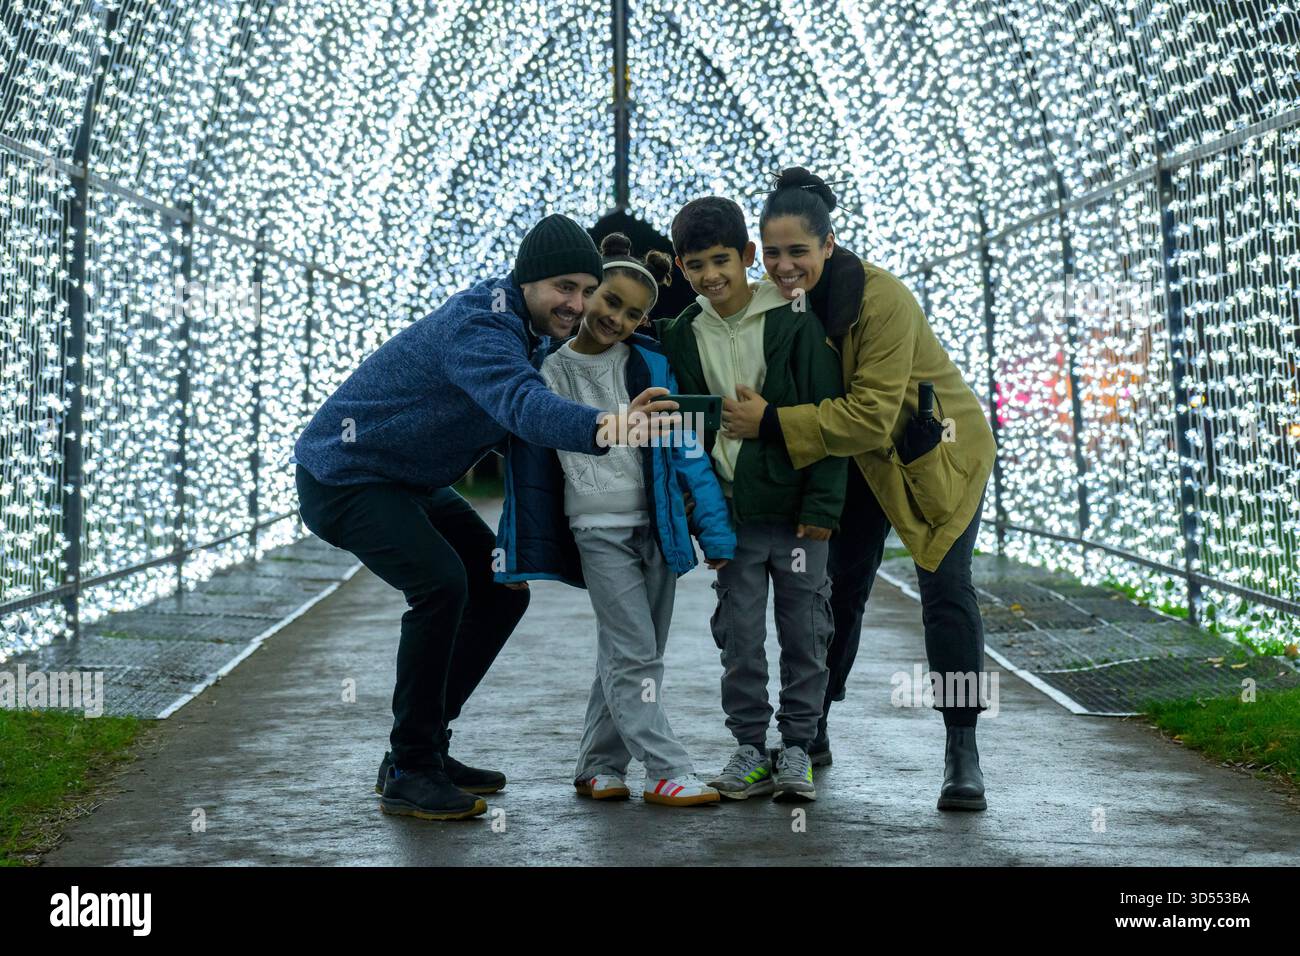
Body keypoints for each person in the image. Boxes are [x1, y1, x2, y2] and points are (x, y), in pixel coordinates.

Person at [292, 215, 681, 821]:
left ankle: (423, 746)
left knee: (499, 592)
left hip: (411, 481)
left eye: (585, 289)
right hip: (345, 475)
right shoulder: (483, 325)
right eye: (563, 288)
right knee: (442, 584)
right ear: (526, 280)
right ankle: (410, 768)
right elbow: (520, 404)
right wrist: (603, 425)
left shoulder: (533, 332)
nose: (576, 305)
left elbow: (526, 433)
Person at [721, 168, 997, 811]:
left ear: (829, 245)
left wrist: (772, 423)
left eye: (799, 251)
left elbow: (873, 413)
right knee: (836, 589)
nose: (785, 266)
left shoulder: (882, 300)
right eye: (773, 253)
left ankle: (963, 748)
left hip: (931, 456)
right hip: (850, 463)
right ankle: (812, 729)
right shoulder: (776, 302)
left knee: (946, 592)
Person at [494, 232, 736, 806]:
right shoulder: (541, 366)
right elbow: (524, 458)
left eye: (634, 313)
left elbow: (686, 451)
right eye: (609, 301)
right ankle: (666, 768)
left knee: (630, 649)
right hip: (595, 532)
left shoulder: (651, 364)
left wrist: (715, 532)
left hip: (659, 528)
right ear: (585, 294)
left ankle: (598, 764)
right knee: (635, 652)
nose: (617, 318)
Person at [657, 197, 847, 802]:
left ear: (746, 257)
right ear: (683, 270)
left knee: (805, 632)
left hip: (794, 518)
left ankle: (797, 748)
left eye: (721, 260)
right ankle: (748, 745)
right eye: (695, 266)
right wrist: (697, 513)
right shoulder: (684, 334)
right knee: (739, 636)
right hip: (730, 517)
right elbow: (684, 437)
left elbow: (826, 418)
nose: (711, 276)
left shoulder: (795, 320)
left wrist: (821, 507)